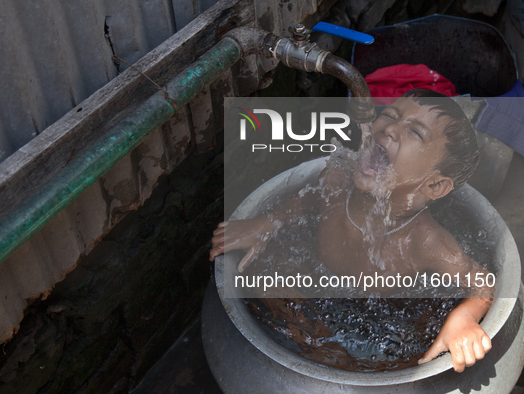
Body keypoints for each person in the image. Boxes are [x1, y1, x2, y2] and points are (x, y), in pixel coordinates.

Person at [209, 90, 493, 373]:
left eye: (415, 133)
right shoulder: (337, 180)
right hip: (319, 282)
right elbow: (308, 202)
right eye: (390, 115)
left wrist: (463, 317)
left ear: (433, 186)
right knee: (263, 278)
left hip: (386, 315)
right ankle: (320, 349)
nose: (391, 128)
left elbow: (482, 286)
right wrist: (266, 223)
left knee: (409, 354)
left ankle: (336, 361)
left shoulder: (425, 241)